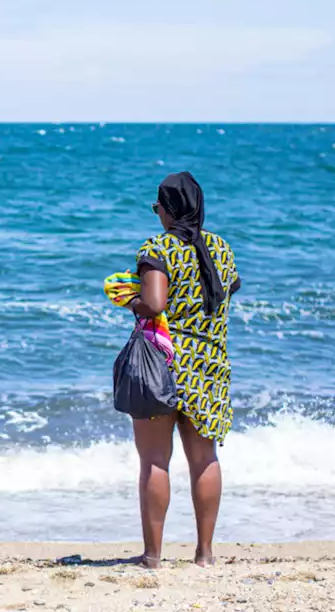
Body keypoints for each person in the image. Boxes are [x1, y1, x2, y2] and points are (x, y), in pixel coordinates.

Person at [128, 172, 241, 568]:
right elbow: (230, 287)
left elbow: (155, 303)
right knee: (204, 457)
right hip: (209, 366)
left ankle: (153, 556)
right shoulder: (221, 249)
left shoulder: (159, 247)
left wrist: (130, 300)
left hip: (162, 364)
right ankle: (205, 554)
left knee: (155, 459)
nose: (157, 214)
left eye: (158, 207)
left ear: (169, 210)